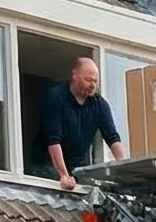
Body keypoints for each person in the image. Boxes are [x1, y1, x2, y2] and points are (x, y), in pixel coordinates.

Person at [37, 57, 125, 189]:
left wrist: (124, 168)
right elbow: (53, 140)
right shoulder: (55, 96)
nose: (93, 85)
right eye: (88, 80)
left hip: (77, 166)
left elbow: (112, 137)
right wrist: (64, 176)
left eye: (95, 81)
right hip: (47, 164)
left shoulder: (99, 104)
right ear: (74, 76)